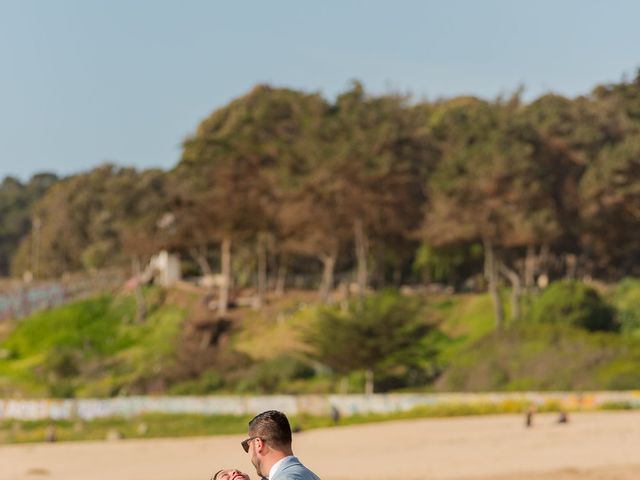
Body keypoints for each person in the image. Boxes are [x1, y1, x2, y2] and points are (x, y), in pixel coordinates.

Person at [242, 410, 320, 480]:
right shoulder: (310, 475)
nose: (248, 451)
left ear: (258, 444)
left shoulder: (285, 477)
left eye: (247, 445)